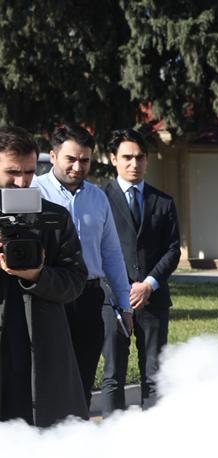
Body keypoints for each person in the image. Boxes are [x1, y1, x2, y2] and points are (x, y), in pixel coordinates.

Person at [34, 125, 132, 406]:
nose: (78, 167)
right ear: (53, 156)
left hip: (89, 298)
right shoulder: (33, 192)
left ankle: (79, 428)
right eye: (71, 159)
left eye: (84, 160)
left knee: (83, 379)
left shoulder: (98, 197)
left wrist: (124, 304)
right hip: (48, 296)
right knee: (49, 380)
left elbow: (111, 253)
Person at [0, 126, 88, 425]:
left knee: (42, 436)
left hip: (41, 347)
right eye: (12, 172)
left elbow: (75, 281)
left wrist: (38, 275)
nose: (22, 181)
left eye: (29, 172)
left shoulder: (54, 217)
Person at [101, 129, 181, 412]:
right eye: (127, 157)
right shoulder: (100, 199)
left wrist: (148, 284)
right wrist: (123, 288)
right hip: (112, 299)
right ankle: (113, 431)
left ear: (147, 160)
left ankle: (153, 430)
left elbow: (173, 250)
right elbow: (96, 249)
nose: (134, 163)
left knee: (155, 374)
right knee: (113, 374)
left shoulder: (164, 202)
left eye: (140, 157)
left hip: (153, 299)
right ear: (114, 159)